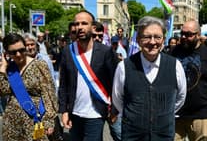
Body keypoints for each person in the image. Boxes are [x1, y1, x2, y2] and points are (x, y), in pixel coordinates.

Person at [112, 16, 187, 140]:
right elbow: (118, 99)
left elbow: (180, 98)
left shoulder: (175, 65)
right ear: (138, 40)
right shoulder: (124, 66)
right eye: (147, 37)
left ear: (163, 40)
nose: (152, 42)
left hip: (163, 135)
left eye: (157, 37)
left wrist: (164, 115)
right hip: (133, 135)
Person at [58, 10, 118, 141]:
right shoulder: (68, 51)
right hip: (74, 113)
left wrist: (114, 109)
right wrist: (64, 111)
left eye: (84, 23)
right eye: (77, 24)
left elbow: (115, 83)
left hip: (96, 114)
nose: (79, 27)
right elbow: (63, 85)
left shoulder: (105, 52)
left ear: (93, 27)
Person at [171, 19, 207, 141]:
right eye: (183, 34)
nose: (185, 37)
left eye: (189, 34)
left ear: (198, 34)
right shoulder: (173, 52)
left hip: (201, 114)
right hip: (175, 113)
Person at [0, 33, 58, 140]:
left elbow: (49, 93)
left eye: (21, 50)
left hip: (35, 120)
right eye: (13, 52)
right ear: (6, 53)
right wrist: (3, 67)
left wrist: (49, 120)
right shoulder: (9, 68)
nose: (18, 54)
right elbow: (3, 91)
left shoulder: (39, 65)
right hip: (12, 122)